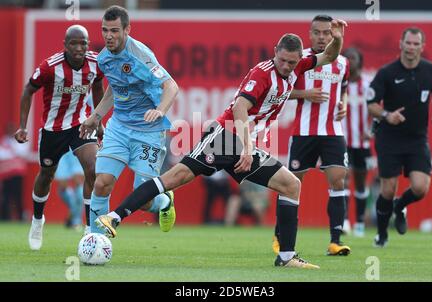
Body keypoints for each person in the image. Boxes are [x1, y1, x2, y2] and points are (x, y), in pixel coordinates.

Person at [95, 22, 347, 269]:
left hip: (238, 144)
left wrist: (337, 39)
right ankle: (114, 217)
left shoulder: (298, 66)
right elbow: (240, 107)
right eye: (282, 60)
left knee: (290, 185)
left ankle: (286, 256)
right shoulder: (263, 73)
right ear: (275, 51)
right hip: (224, 137)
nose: (286, 66)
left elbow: (328, 56)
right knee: (175, 178)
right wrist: (248, 148)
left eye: (291, 62)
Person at [79, 5, 179, 234]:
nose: (108, 36)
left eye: (114, 30)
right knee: (102, 182)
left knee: (143, 199)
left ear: (127, 30)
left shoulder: (141, 57)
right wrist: (96, 116)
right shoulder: (104, 59)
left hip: (148, 131)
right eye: (105, 30)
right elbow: (115, 87)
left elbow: (171, 86)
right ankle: (94, 238)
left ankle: (165, 201)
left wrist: (161, 110)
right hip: (119, 128)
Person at [15, 25, 104, 250]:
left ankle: (90, 229)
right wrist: (23, 127)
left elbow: (98, 86)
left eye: (83, 43)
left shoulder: (95, 62)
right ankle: (37, 221)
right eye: (73, 43)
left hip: (81, 124)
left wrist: (98, 119)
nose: (78, 48)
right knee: (46, 175)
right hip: (53, 129)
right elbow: (28, 90)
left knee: (93, 169)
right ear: (65, 45)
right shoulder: (49, 67)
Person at [272, 15, 350, 256]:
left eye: (326, 33)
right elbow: (281, 90)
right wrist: (305, 93)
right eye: (317, 32)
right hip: (303, 132)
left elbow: (343, 89)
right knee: (290, 184)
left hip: (332, 132)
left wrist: (343, 104)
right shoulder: (300, 59)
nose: (322, 37)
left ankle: (335, 241)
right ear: (310, 33)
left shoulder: (343, 63)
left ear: (332, 34)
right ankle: (279, 237)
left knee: (338, 180)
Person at [366, 27, 432, 247]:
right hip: (389, 138)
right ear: (400, 44)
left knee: (420, 188)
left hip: (417, 139)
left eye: (415, 44)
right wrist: (386, 115)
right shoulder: (387, 73)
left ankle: (400, 206)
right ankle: (382, 234)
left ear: (422, 46)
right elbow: (371, 104)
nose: (411, 47)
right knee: (387, 189)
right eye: (408, 43)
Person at [341, 47, 373, 237]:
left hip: (362, 143)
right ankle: (344, 221)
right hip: (342, 140)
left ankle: (360, 222)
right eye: (347, 58)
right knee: (342, 179)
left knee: (360, 183)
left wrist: (371, 131)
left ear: (360, 61)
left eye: (353, 58)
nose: (350, 62)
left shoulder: (368, 85)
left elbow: (377, 109)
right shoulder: (339, 84)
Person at [0, 123, 28, 221]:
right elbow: (2, 155)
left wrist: (11, 149)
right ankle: (5, 217)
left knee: (18, 195)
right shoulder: (3, 141)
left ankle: (20, 217)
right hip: (6, 174)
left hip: (17, 173)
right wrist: (13, 153)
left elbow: (23, 153)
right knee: (6, 196)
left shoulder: (20, 141)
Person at [54, 150, 84, 229]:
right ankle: (72, 215)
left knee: (78, 181)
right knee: (62, 185)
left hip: (75, 147)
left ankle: (76, 220)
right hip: (61, 148)